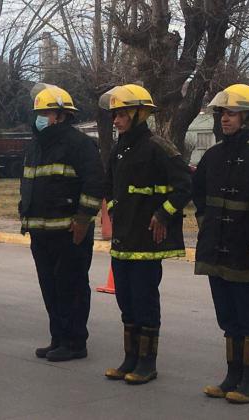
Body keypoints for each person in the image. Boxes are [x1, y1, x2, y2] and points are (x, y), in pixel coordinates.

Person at [99, 84, 191, 384]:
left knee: (144, 302)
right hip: (123, 240)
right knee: (126, 302)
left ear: (139, 114)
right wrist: (113, 208)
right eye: (114, 115)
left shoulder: (159, 147)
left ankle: (147, 363)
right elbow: (109, 185)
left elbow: (183, 186)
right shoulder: (119, 149)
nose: (116, 120)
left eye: (121, 114)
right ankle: (130, 358)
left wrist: (163, 213)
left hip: (147, 242)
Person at [193, 84, 249, 404]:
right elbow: (198, 195)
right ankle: (233, 376)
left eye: (232, 113)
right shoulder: (214, 155)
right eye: (222, 113)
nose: (225, 119)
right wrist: (205, 224)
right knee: (228, 316)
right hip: (218, 248)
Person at [20, 84, 104, 361]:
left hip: (69, 232)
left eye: (44, 113)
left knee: (72, 287)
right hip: (40, 232)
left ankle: (75, 342)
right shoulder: (35, 146)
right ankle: (58, 337)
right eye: (37, 113)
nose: (39, 118)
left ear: (60, 115)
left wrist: (83, 220)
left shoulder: (79, 144)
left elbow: (94, 183)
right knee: (50, 288)